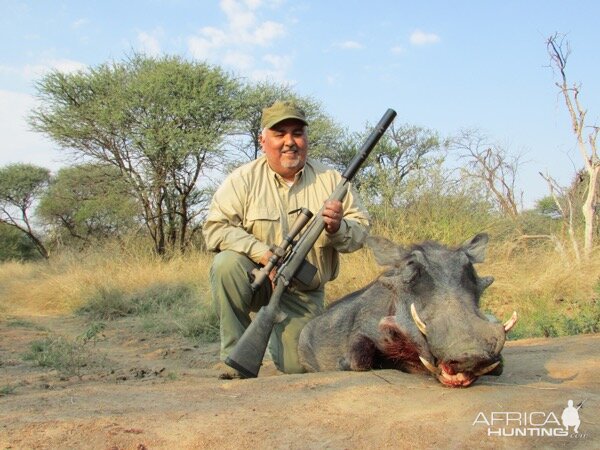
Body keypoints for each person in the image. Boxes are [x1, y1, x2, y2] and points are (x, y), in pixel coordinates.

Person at [203, 100, 370, 378]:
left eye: (297, 133)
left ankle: (279, 341)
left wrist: (337, 227)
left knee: (298, 367)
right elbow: (215, 228)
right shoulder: (242, 179)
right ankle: (234, 359)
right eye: (280, 134)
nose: (289, 142)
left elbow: (361, 232)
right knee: (226, 265)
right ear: (263, 140)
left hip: (304, 292)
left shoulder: (332, 181)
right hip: (260, 280)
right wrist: (261, 253)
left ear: (306, 138)